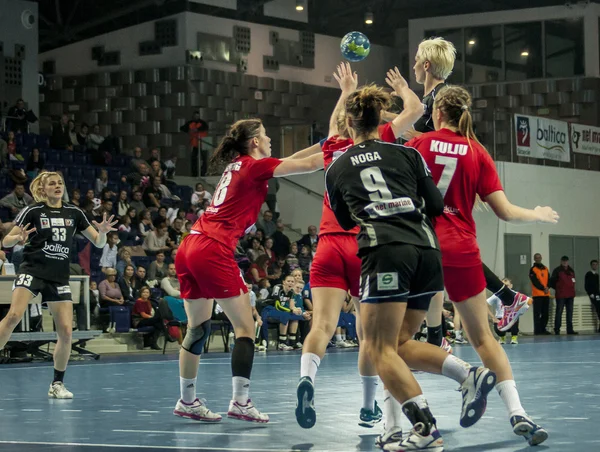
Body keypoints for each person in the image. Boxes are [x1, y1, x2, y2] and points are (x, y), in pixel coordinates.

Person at [323, 83, 494, 452]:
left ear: (350, 123)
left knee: (377, 347)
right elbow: (435, 204)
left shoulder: (337, 167)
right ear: (377, 118)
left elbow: (343, 219)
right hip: (428, 252)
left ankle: (425, 428)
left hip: (385, 253)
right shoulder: (408, 154)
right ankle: (469, 374)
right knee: (399, 344)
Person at [407, 84, 556, 446]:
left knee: (393, 343)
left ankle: (453, 384)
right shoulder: (478, 152)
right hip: (463, 252)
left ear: (438, 113)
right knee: (484, 338)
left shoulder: (419, 145)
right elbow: (504, 211)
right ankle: (519, 412)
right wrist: (534, 213)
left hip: (425, 249)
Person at [297, 63, 428, 432]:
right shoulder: (382, 139)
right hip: (364, 244)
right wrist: (403, 88)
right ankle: (370, 407)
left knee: (321, 325)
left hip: (325, 245)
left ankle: (307, 379)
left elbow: (334, 125)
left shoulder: (332, 149)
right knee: (371, 336)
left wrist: (345, 89)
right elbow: (415, 111)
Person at [174, 118, 323, 424]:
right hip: (214, 248)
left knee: (197, 329)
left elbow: (290, 160)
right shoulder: (254, 167)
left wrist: (326, 142)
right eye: (266, 136)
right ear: (255, 141)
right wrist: (346, 147)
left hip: (190, 245)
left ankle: (187, 400)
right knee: (246, 329)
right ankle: (240, 401)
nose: (269, 140)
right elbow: (307, 165)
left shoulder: (240, 166)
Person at [0, 172, 116, 398]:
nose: (57, 186)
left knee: (65, 331)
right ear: (42, 189)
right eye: (51, 183)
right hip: (32, 270)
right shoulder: (33, 211)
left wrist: (102, 233)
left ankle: (57, 384)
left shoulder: (74, 212)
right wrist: (18, 238)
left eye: (60, 183)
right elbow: (5, 241)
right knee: (13, 315)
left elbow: (98, 242)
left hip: (59, 276)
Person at [549, 256, 577, 335]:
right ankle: (557, 330)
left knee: (570, 313)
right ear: (561, 261)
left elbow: (573, 281)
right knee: (559, 312)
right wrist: (558, 288)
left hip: (570, 295)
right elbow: (552, 281)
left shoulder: (571, 270)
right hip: (561, 295)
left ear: (568, 261)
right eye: (563, 261)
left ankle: (570, 330)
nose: (565, 262)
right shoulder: (557, 270)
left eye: (566, 261)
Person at [180, 111, 209, 177]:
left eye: (197, 116)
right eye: (195, 116)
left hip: (204, 142)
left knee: (204, 159)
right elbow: (182, 128)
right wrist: (188, 130)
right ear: (193, 116)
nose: (196, 117)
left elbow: (206, 127)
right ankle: (194, 173)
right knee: (194, 158)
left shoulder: (202, 123)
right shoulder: (190, 123)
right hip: (194, 142)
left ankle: (203, 173)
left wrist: (197, 129)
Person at [529, 253, 551, 335]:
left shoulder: (545, 268)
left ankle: (543, 329)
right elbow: (535, 281)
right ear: (534, 259)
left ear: (541, 258)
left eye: (539, 257)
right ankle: (537, 330)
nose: (538, 259)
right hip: (537, 295)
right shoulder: (533, 269)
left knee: (545, 313)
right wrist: (543, 288)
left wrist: (548, 287)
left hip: (546, 294)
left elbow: (549, 279)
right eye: (536, 258)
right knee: (537, 314)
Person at [585, 259, 600, 332]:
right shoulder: (589, 274)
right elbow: (587, 285)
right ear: (591, 265)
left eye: (596, 264)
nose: (595, 266)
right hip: (593, 295)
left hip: (597, 295)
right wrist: (590, 293)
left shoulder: (597, 275)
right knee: (598, 309)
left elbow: (597, 286)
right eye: (593, 264)